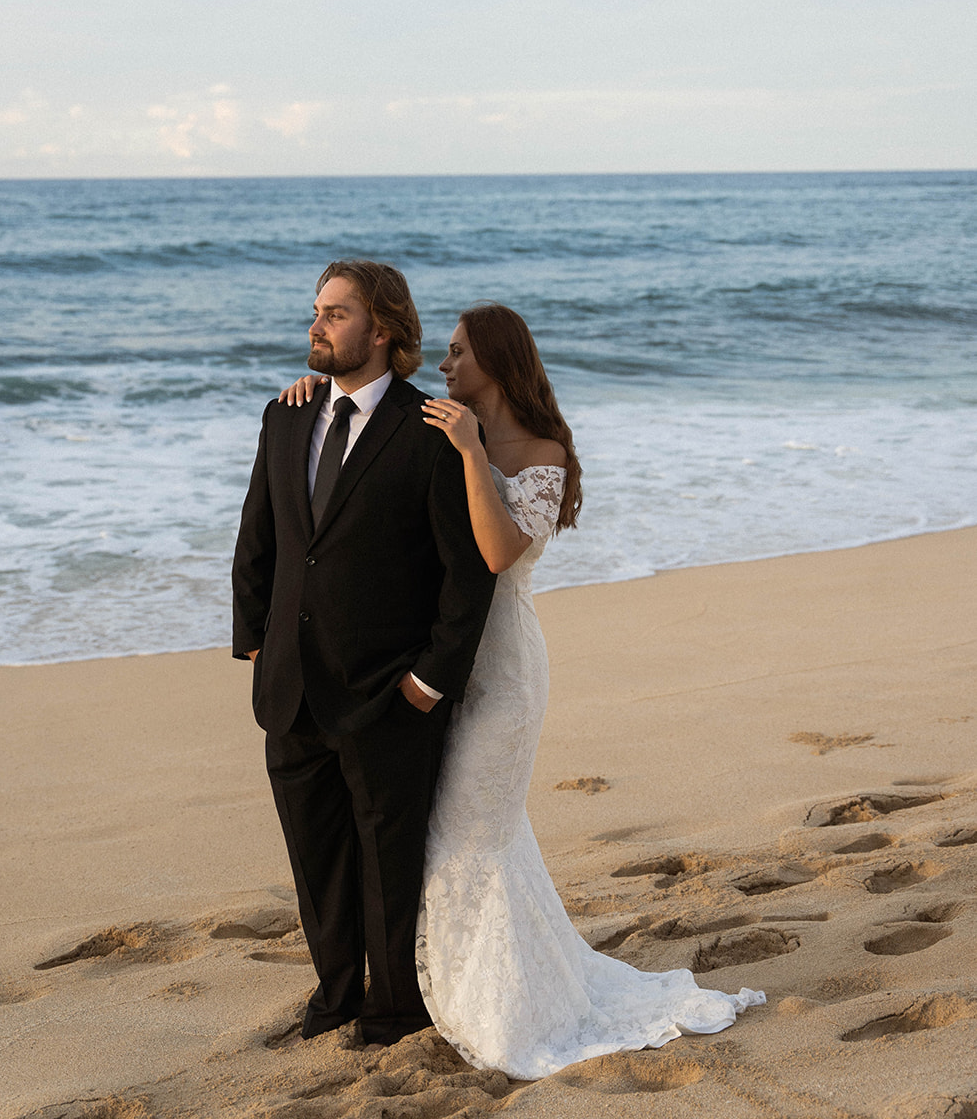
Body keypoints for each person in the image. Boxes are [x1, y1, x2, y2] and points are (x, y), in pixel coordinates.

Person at [283, 303, 765, 1079]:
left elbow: (502, 553)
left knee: (474, 829)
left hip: (502, 669)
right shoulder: (442, 427)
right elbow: (367, 441)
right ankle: (443, 983)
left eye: (455, 352)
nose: (441, 366)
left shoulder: (538, 450)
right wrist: (313, 388)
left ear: (496, 362)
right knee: (447, 830)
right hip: (437, 658)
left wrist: (474, 456)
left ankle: (500, 1003)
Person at [231, 262, 496, 1047]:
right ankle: (336, 995)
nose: (317, 326)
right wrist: (254, 641)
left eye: (336, 314)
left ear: (381, 330)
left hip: (387, 690)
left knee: (386, 859)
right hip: (290, 685)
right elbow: (261, 538)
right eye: (316, 311)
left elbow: (467, 571)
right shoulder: (286, 417)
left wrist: (430, 678)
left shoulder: (431, 429)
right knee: (316, 858)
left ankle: (393, 1008)